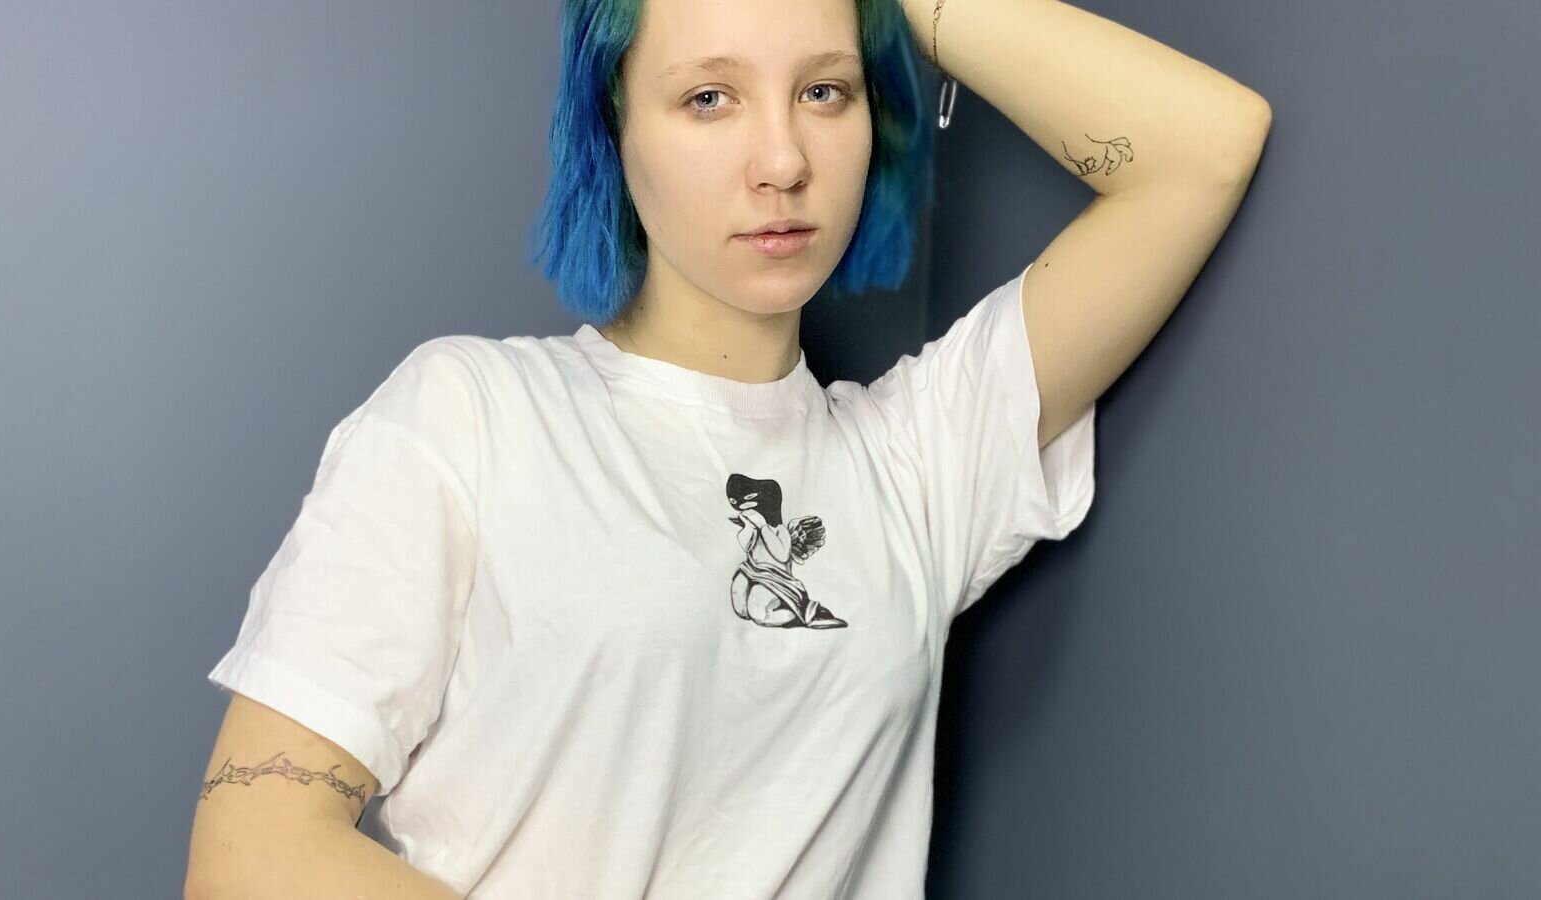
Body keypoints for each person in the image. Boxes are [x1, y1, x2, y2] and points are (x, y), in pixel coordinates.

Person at [204, 0, 1269, 895]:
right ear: (613, 124)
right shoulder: (469, 414)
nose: (783, 161)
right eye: (709, 98)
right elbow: (252, 853)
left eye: (825, 91)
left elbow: (1200, 149)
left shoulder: (918, 460)